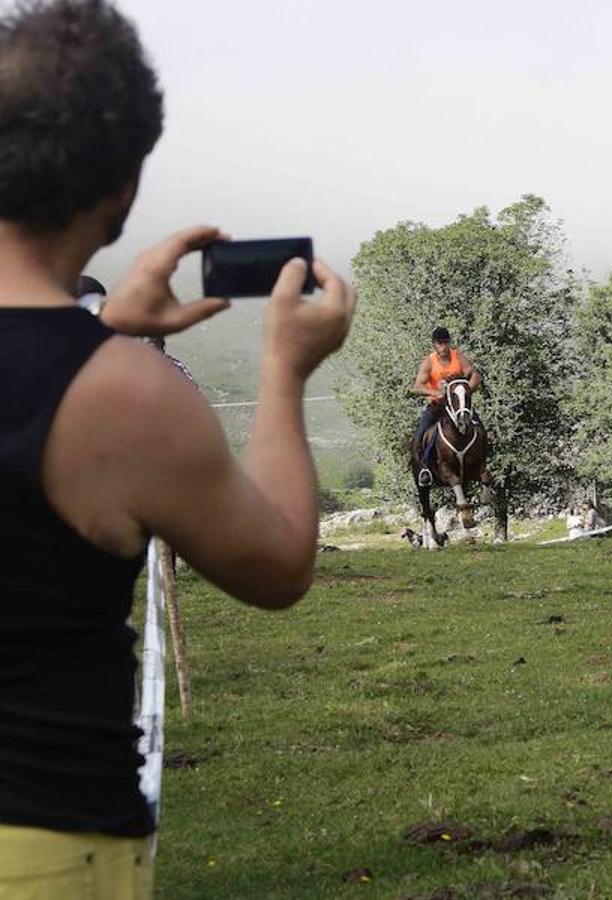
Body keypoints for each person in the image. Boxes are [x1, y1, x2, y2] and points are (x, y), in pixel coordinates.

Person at [0, 2, 356, 895]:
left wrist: (107, 324)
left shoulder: (104, 377)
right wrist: (283, 367)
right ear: (125, 183)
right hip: (45, 840)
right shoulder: (124, 397)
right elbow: (276, 564)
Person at [411, 326, 481, 487]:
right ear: (434, 345)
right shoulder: (429, 362)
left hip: (457, 406)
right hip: (437, 407)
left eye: (445, 342)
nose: (443, 347)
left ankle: (481, 463)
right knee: (420, 435)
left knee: (480, 429)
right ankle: (424, 470)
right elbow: (417, 386)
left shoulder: (458, 357)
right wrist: (435, 393)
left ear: (449, 342)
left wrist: (466, 391)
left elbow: (474, 375)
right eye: (439, 343)